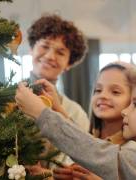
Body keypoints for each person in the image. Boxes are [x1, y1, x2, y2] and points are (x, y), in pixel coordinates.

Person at [15, 68, 136, 179]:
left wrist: (41, 113)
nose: (126, 110)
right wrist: (58, 110)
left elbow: (99, 154)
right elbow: (96, 147)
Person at [25, 14, 90, 175]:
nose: (50, 56)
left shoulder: (75, 112)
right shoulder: (2, 98)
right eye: (45, 46)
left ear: (69, 63)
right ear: (31, 48)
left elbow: (82, 158)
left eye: (61, 52)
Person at [53, 62, 136, 179]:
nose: (102, 95)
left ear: (134, 100)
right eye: (98, 90)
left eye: (115, 92)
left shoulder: (135, 150)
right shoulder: (88, 136)